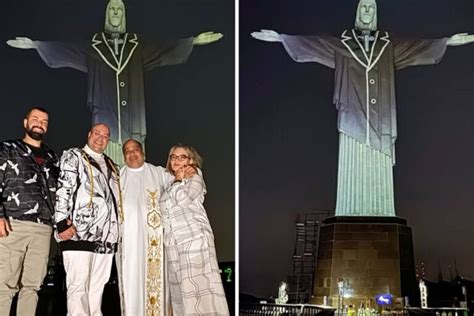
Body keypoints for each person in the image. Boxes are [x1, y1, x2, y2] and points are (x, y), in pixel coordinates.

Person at [251, 0, 474, 216]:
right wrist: (282, 38)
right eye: (363, 7)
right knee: (352, 162)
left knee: (380, 168)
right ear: (358, 12)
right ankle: (348, 210)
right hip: (353, 116)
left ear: (375, 13)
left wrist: (445, 42)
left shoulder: (388, 45)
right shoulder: (343, 43)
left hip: (382, 119)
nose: (367, 11)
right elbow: (315, 43)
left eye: (371, 7)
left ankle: (382, 211)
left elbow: (416, 47)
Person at [6, 0, 223, 165]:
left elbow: (163, 49)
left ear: (125, 14)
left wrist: (192, 42)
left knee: (134, 164)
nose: (116, 13)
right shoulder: (94, 45)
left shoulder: (136, 44)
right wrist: (37, 45)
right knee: (105, 164)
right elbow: (66, 49)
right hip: (105, 117)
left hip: (134, 120)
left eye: (120, 10)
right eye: (112, 9)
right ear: (107, 14)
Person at [117, 139, 196, 315]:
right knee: (130, 286)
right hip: (128, 243)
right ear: (123, 156)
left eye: (135, 149)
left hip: (155, 244)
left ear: (142, 152)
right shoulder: (117, 177)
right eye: (127, 151)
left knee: (157, 288)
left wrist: (191, 170)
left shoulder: (159, 173)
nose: (132, 154)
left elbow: (182, 180)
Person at [54, 123, 121, 316]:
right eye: (97, 133)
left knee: (97, 288)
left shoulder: (111, 165)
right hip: (79, 234)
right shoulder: (74, 156)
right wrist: (60, 223)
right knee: (78, 287)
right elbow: (64, 189)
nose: (101, 138)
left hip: (106, 238)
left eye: (105, 135)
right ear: (89, 134)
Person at [0, 107, 59, 316]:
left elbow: (58, 193)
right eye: (35, 119)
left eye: (44, 120)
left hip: (43, 228)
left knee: (32, 286)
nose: (39, 123)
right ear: (25, 123)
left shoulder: (53, 157)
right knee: (4, 285)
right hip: (13, 224)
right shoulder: (8, 148)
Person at [162, 144, 229, 315]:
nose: (176, 160)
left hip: (193, 239)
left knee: (199, 295)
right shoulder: (169, 182)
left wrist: (178, 180)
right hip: (173, 244)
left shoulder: (194, 176)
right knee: (181, 297)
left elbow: (184, 200)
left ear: (190, 160)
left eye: (181, 157)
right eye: (173, 157)